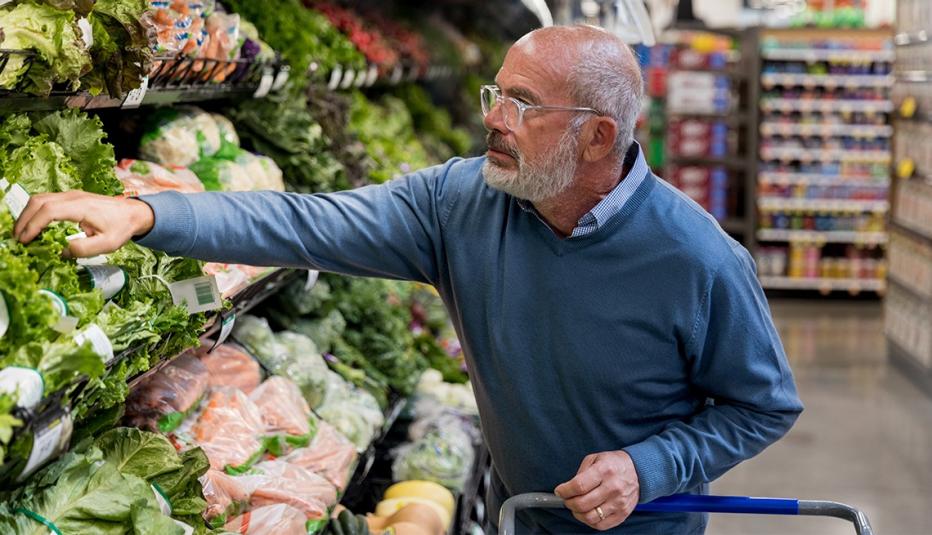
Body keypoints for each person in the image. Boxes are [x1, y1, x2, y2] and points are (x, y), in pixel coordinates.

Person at [14, 25, 803, 534]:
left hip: (641, 528)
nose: (492, 116)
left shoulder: (697, 259)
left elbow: (762, 405)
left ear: (596, 137)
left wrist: (648, 466)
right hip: (516, 513)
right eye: (495, 92)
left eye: (521, 104)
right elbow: (305, 222)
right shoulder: (462, 201)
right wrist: (149, 215)